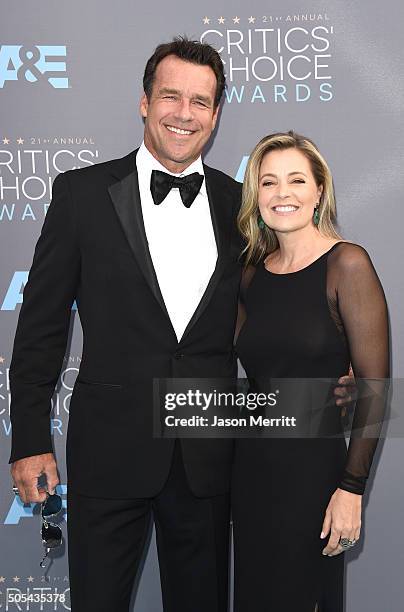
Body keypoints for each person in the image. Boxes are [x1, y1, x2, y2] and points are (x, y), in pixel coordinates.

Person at [9, 37, 242, 612]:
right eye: (170, 96)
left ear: (215, 116)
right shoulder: (82, 195)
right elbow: (40, 328)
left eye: (200, 102)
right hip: (110, 454)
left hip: (207, 456)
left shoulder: (243, 206)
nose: (184, 114)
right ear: (144, 102)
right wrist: (31, 440)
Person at [232, 131, 389, 611]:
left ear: (320, 190)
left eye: (297, 180)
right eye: (270, 182)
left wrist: (351, 489)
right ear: (255, 196)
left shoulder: (347, 264)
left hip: (315, 479)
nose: (283, 193)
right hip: (251, 477)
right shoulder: (250, 273)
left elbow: (375, 391)